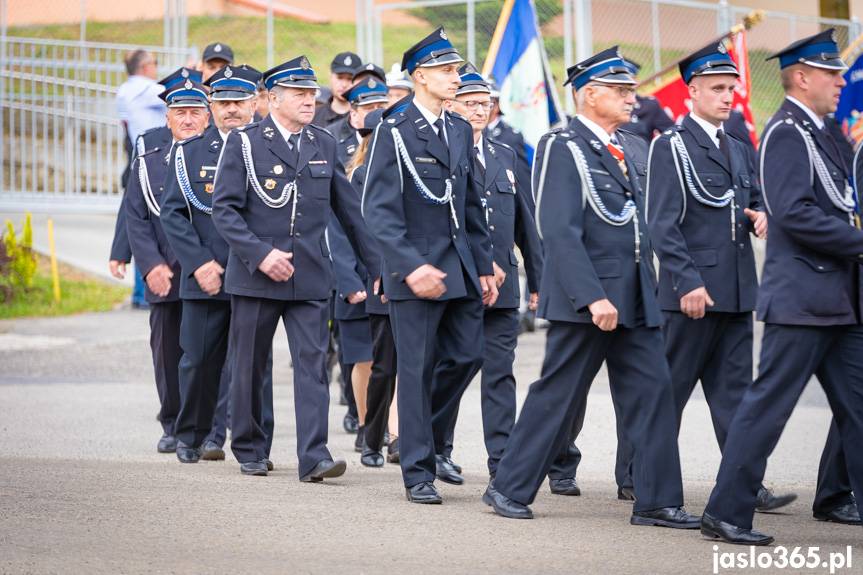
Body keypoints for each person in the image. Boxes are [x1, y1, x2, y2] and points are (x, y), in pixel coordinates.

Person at [482, 48, 698, 529]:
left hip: (635, 297)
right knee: (558, 395)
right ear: (590, 94)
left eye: (630, 90)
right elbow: (558, 230)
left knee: (654, 393)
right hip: (589, 300)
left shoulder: (625, 146)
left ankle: (657, 501)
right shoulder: (565, 145)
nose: (631, 98)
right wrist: (592, 295)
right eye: (620, 90)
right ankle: (508, 486)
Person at [701, 29, 863, 545]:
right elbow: (793, 213)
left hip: (838, 300)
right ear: (802, 77)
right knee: (766, 411)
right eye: (832, 74)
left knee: (860, 411)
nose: (841, 82)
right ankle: (726, 513)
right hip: (802, 299)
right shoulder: (786, 132)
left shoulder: (825, 132)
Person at [645, 40, 797, 512]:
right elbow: (661, 224)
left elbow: (752, 198)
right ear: (692, 91)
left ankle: (743, 487)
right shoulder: (671, 147)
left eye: (731, 88)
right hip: (691, 294)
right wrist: (686, 280)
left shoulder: (737, 147)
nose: (728, 96)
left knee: (736, 399)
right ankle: (646, 489)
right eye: (717, 88)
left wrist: (761, 214)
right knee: (668, 397)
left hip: (735, 291)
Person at [211, 55, 379, 479]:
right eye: (300, 94)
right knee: (250, 365)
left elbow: (349, 212)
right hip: (256, 275)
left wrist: (378, 266)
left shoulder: (322, 142)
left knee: (313, 366)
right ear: (273, 99)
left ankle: (314, 456)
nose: (309, 101)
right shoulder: (245, 143)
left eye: (311, 94)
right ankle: (250, 446)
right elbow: (225, 210)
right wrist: (259, 254)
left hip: (309, 273)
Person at [362, 27, 497, 504]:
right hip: (414, 271)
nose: (456, 77)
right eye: (447, 70)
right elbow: (378, 209)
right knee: (416, 370)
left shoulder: (457, 128)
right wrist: (408, 265)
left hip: (459, 266)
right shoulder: (394, 129)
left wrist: (484, 264)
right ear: (420, 76)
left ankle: (425, 436)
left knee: (467, 356)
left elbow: (471, 203)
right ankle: (418, 470)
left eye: (456, 69)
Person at [435, 63, 543, 484]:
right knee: (455, 365)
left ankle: (503, 461)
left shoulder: (505, 155)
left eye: (485, 103)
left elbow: (524, 221)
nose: (480, 110)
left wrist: (538, 279)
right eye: (470, 103)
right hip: (461, 282)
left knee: (500, 372)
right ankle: (437, 449)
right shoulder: (441, 153)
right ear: (451, 105)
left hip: (505, 286)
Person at [159, 64, 272, 465]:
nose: (232, 110)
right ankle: (193, 433)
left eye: (239, 102)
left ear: (254, 104)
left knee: (253, 366)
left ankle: (255, 445)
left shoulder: (270, 148)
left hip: (255, 274)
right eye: (223, 103)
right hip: (208, 274)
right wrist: (199, 263)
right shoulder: (190, 153)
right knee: (199, 361)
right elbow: (173, 214)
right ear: (212, 107)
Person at [124, 67, 210, 453]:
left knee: (207, 352)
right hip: (165, 270)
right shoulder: (150, 156)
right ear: (168, 117)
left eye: (195, 111)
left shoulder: (220, 154)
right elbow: (136, 215)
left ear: (207, 115)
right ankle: (173, 422)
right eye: (180, 112)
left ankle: (209, 426)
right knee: (167, 351)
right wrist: (150, 265)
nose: (188, 119)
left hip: (208, 270)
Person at [327, 76, 391, 457]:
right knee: (363, 358)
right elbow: (337, 229)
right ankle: (367, 426)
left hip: (388, 275)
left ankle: (391, 432)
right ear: (353, 114)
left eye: (381, 106)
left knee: (390, 360)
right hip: (357, 276)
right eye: (368, 108)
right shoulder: (343, 157)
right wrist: (348, 279)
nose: (375, 113)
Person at [111, 49, 168, 308]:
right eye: (155, 63)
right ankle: (145, 293)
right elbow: (174, 94)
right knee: (148, 229)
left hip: (139, 159)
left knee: (139, 225)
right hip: (153, 161)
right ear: (145, 67)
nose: (156, 68)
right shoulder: (144, 89)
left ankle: (139, 292)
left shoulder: (125, 90)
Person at [620, 58, 674, 141]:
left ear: (636, 81)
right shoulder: (606, 105)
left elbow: (672, 134)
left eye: (627, 80)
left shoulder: (649, 106)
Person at [311, 51, 360, 127]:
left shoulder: (363, 117)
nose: (344, 85)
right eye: (340, 78)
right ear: (330, 77)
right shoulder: (313, 116)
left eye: (350, 79)